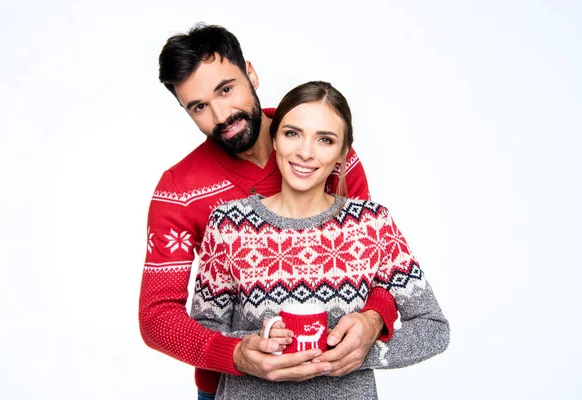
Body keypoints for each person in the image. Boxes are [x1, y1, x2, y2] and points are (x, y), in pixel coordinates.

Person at [138, 24, 399, 399]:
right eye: (199, 107)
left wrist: (374, 318)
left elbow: (380, 265)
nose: (221, 114)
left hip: (336, 384)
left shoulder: (324, 149)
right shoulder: (179, 191)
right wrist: (235, 355)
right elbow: (157, 315)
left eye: (226, 89)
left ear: (251, 73)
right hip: (231, 389)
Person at [190, 81, 450, 399]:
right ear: (274, 140)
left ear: (342, 154)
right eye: (292, 133)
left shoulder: (372, 223)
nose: (305, 152)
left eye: (325, 140)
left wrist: (363, 353)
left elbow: (434, 328)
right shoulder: (228, 224)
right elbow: (202, 328)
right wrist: (246, 348)